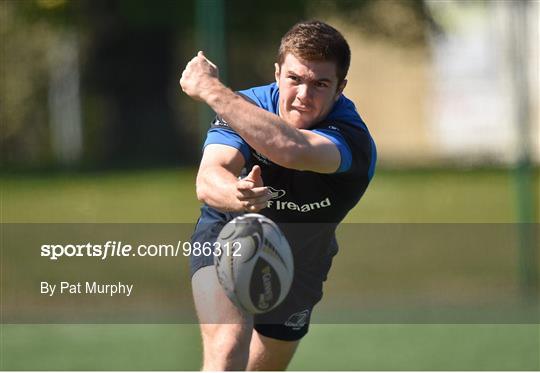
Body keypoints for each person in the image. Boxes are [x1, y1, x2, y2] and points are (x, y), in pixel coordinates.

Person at [180, 20, 376, 371]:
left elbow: (292, 149)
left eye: (320, 84)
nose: (304, 94)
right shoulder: (246, 106)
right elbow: (209, 180)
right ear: (277, 73)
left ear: (340, 88)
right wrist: (236, 194)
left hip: (300, 258)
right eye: (294, 79)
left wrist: (210, 88)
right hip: (227, 234)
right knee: (226, 352)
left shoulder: (350, 137)